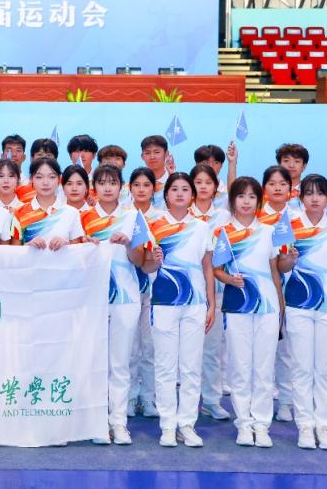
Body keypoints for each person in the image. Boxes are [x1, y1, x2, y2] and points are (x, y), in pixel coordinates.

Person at [82, 164, 162, 446]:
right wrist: (84, 245)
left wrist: (129, 244)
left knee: (120, 363)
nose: (107, 187)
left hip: (126, 299)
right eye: (102, 182)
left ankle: (118, 422)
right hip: (92, 300)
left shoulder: (132, 217)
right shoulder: (83, 217)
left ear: (121, 187)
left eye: (112, 182)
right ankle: (96, 422)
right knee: (94, 363)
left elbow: (142, 261)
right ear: (94, 187)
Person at [213, 177, 293, 448]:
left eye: (251, 197)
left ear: (259, 201)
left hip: (267, 307)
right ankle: (244, 424)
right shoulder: (223, 232)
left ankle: (261, 424)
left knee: (263, 367)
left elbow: (275, 271)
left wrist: (280, 306)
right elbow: (216, 269)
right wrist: (228, 279)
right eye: (241, 196)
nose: (246, 202)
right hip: (237, 306)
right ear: (232, 200)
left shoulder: (269, 232)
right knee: (240, 366)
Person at [283, 174, 327, 451]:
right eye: (309, 193)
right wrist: (288, 259)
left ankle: (323, 426)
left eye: (320, 193)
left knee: (325, 368)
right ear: (301, 197)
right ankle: (304, 426)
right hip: (298, 305)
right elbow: (281, 267)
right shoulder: (289, 226)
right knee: (302, 368)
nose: (314, 198)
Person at [148, 172, 215, 448]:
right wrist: (153, 260)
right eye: (174, 189)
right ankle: (167, 425)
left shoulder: (202, 227)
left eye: (185, 189)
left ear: (192, 195)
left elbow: (208, 267)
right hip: (164, 302)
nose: (179, 193)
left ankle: (186, 424)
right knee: (165, 367)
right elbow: (146, 266)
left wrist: (211, 304)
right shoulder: (153, 225)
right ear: (166, 195)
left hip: (195, 304)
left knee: (190, 367)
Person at [189, 163, 231, 421]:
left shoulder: (224, 217)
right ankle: (187, 402)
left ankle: (212, 400)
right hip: (187, 292)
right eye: (198, 182)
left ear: (216, 188)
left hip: (217, 289)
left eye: (208, 183)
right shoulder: (182, 215)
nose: (203, 187)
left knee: (212, 348)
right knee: (187, 351)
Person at [259, 165, 300, 423]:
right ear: (264, 188)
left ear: (290, 189)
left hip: (293, 289)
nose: (277, 188)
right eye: (272, 183)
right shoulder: (254, 217)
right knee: (263, 349)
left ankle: (285, 400)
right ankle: (259, 401)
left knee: (286, 349)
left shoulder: (298, 218)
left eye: (282, 184)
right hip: (262, 289)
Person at [127, 166, 163, 418]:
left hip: (155, 288)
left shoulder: (161, 219)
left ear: (154, 189)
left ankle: (149, 398)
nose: (141, 190)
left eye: (146, 185)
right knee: (129, 348)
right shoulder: (123, 216)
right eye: (137, 185)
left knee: (150, 347)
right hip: (128, 288)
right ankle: (129, 397)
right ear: (129, 188)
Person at [11, 158, 85, 249]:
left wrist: (66, 245)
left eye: (52, 177)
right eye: (39, 177)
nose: (45, 183)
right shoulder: (19, 213)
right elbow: (14, 251)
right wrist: (28, 246)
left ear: (59, 180)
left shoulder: (72, 213)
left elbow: (78, 251)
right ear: (31, 180)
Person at [194, 143, 236, 209]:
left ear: (221, 165)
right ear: (197, 164)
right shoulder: (188, 190)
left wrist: (232, 162)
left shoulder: (226, 192)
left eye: (216, 162)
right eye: (207, 162)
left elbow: (233, 195)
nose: (211, 166)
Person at [140, 135, 171, 209]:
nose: (152, 157)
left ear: (166, 154)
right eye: (147, 153)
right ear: (142, 156)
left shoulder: (175, 181)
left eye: (157, 152)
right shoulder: (134, 185)